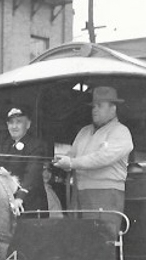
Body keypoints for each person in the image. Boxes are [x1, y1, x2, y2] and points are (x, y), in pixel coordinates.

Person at [53, 85, 133, 242]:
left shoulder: (121, 132)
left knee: (101, 240)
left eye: (100, 106)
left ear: (113, 108)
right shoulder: (84, 132)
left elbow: (102, 157)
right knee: (80, 239)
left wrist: (72, 163)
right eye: (94, 106)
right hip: (79, 194)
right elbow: (72, 155)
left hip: (105, 195)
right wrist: (60, 160)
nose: (94, 110)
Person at [0, 106, 51, 217]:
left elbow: (32, 173)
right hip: (9, 202)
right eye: (11, 123)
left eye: (19, 122)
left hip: (30, 205)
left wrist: (20, 198)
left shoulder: (36, 145)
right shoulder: (4, 140)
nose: (14, 126)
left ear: (28, 124)